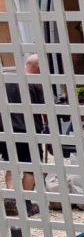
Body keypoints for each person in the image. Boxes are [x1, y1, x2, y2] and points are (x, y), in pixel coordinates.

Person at [2, 53, 44, 218]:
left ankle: (12, 199)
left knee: (12, 165)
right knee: (30, 168)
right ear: (38, 68)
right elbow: (42, 109)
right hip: (27, 131)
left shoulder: (6, 79)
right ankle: (26, 205)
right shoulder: (33, 83)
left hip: (5, 130)